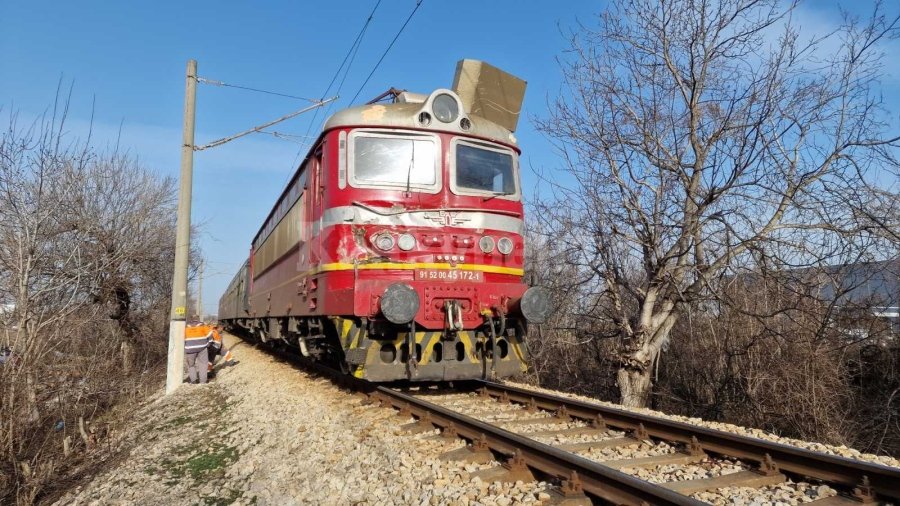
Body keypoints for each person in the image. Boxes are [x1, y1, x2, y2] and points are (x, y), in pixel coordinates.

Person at [184, 319, 213, 384]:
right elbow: (210, 334)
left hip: (190, 349)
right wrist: (209, 343)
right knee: (203, 364)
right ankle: (203, 381)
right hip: (202, 348)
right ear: (198, 319)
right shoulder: (203, 325)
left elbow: (181, 337)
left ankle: (193, 380)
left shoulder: (185, 327)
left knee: (191, 365)